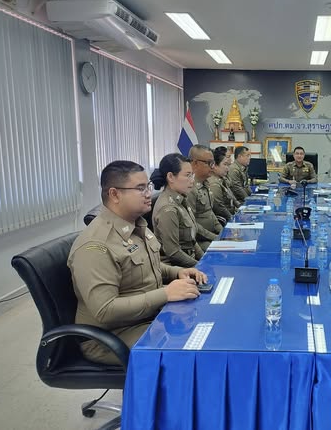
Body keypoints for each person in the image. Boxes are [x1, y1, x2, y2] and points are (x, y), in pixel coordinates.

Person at [68, 160, 207, 365]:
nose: (148, 193)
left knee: (203, 322)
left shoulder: (137, 226)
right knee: (192, 350)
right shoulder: (96, 246)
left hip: (146, 318)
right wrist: (166, 294)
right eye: (140, 188)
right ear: (115, 194)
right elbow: (104, 310)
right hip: (111, 336)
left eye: (148, 186)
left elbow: (146, 265)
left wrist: (177, 272)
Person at [150, 153, 204, 268]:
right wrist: (201, 266)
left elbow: (192, 241)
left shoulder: (181, 199)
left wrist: (204, 259)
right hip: (177, 269)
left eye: (192, 175)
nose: (192, 181)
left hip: (189, 260)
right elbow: (174, 253)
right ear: (170, 177)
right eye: (188, 175)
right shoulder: (168, 209)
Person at [186, 145, 222, 250]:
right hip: (198, 242)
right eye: (209, 163)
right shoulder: (189, 188)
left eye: (213, 163)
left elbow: (211, 213)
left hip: (210, 236)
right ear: (195, 163)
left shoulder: (205, 184)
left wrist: (223, 232)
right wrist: (216, 238)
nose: (213, 167)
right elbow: (192, 224)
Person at [209, 146, 239, 222]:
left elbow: (232, 198)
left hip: (231, 214)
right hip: (225, 219)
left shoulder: (221, 179)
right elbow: (220, 208)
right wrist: (233, 219)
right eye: (225, 165)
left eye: (228, 165)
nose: (227, 168)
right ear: (215, 166)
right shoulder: (214, 184)